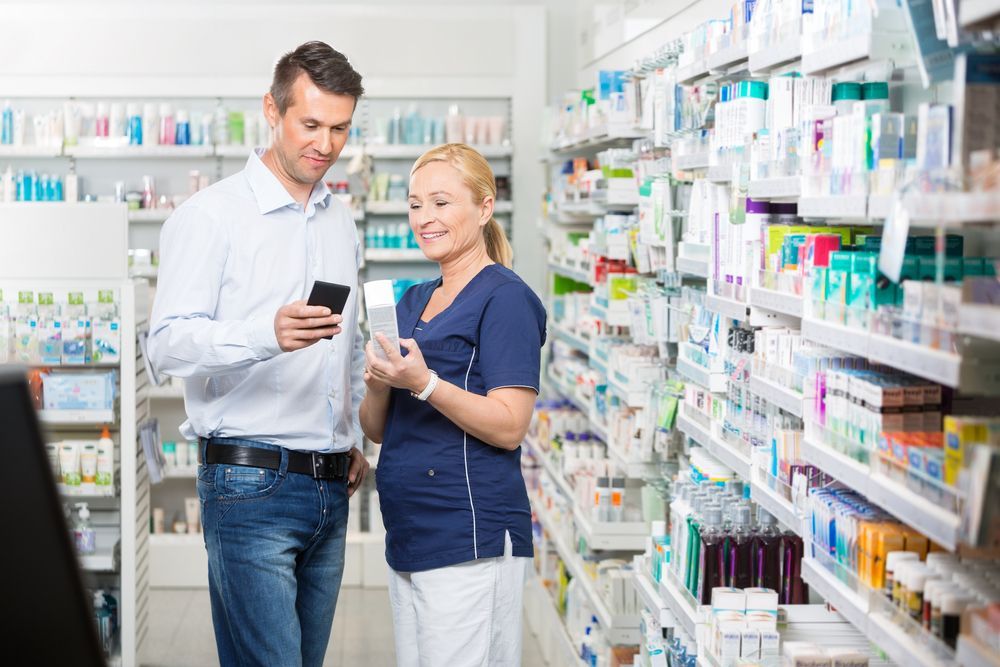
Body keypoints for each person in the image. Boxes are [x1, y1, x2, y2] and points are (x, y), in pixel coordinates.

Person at [147, 41, 369, 667]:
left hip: (329, 484)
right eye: (311, 124)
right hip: (251, 484)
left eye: (340, 128)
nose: (326, 144)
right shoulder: (210, 217)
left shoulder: (338, 219)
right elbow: (165, 345)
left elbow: (346, 345)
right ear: (271, 111)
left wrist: (352, 431)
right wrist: (263, 333)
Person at [359, 143, 547, 666]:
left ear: (485, 208)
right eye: (416, 204)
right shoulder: (411, 301)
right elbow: (376, 429)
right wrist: (379, 381)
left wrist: (422, 382)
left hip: (470, 535)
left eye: (441, 202)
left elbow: (511, 426)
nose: (425, 218)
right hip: (410, 531)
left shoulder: (505, 298)